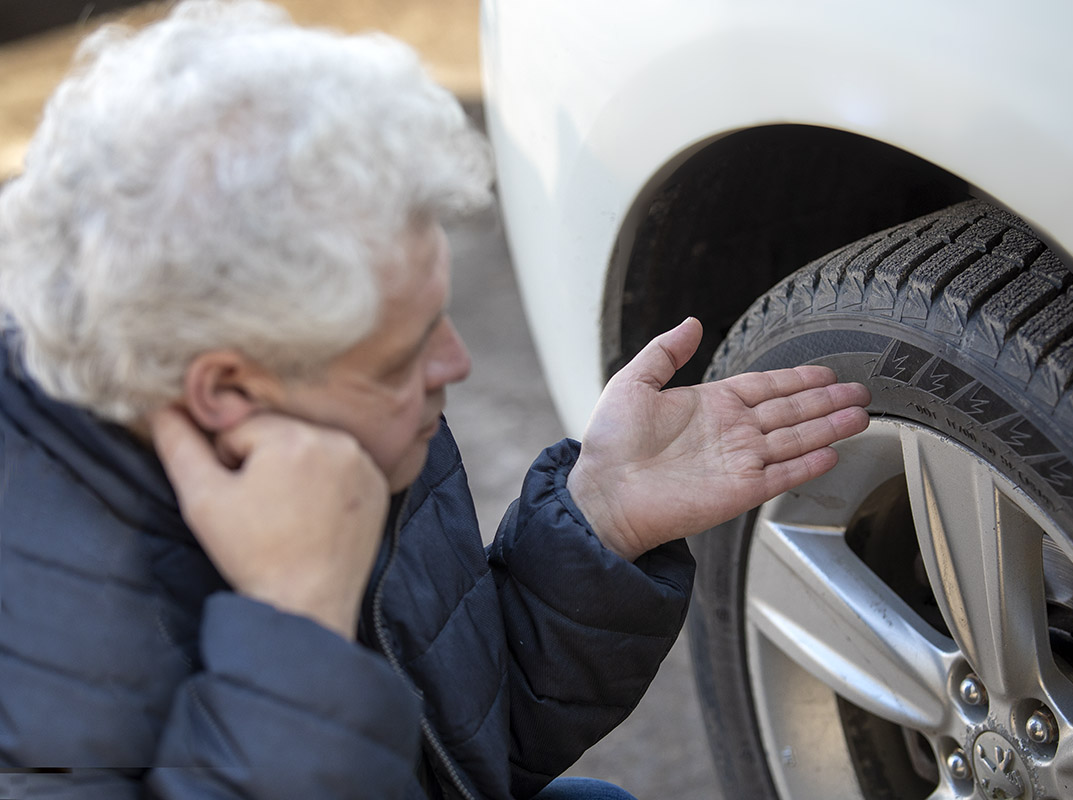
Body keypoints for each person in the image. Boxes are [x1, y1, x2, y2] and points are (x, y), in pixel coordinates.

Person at [0, 2, 871, 797]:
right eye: (401, 355)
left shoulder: (331, 412)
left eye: (436, 320)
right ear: (228, 390)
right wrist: (297, 621)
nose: (453, 365)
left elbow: (460, 759)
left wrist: (597, 520)